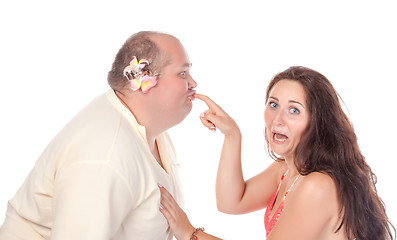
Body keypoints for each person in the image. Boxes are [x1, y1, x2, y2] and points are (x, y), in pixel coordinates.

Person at [158, 66, 396, 240]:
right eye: (273, 105)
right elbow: (230, 202)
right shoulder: (286, 169)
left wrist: (190, 233)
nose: (278, 120)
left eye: (294, 110)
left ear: (317, 121)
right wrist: (232, 135)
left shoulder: (318, 185)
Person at [0, 31, 197, 240]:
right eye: (182, 74)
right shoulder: (106, 154)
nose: (193, 83)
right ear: (143, 79)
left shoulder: (151, 130)